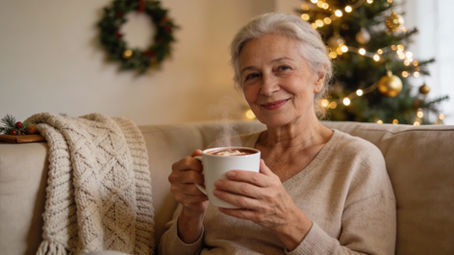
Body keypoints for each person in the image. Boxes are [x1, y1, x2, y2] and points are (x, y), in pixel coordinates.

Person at [159, 12, 396, 254]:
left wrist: (287, 220)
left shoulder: (358, 160)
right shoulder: (223, 150)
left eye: (283, 68)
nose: (268, 88)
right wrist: (191, 212)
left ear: (319, 77)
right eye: (252, 75)